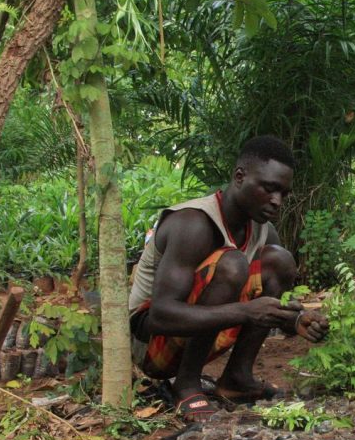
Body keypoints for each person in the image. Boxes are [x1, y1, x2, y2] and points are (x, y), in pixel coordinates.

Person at [128, 135, 328, 421]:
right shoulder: (192, 224)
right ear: (239, 177)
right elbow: (160, 316)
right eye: (269, 189)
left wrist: (296, 321)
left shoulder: (262, 230)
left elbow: (262, 304)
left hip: (193, 330)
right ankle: (186, 384)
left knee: (279, 260)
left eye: (283, 194)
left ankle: (237, 378)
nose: (277, 201)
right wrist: (246, 312)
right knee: (232, 263)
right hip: (150, 345)